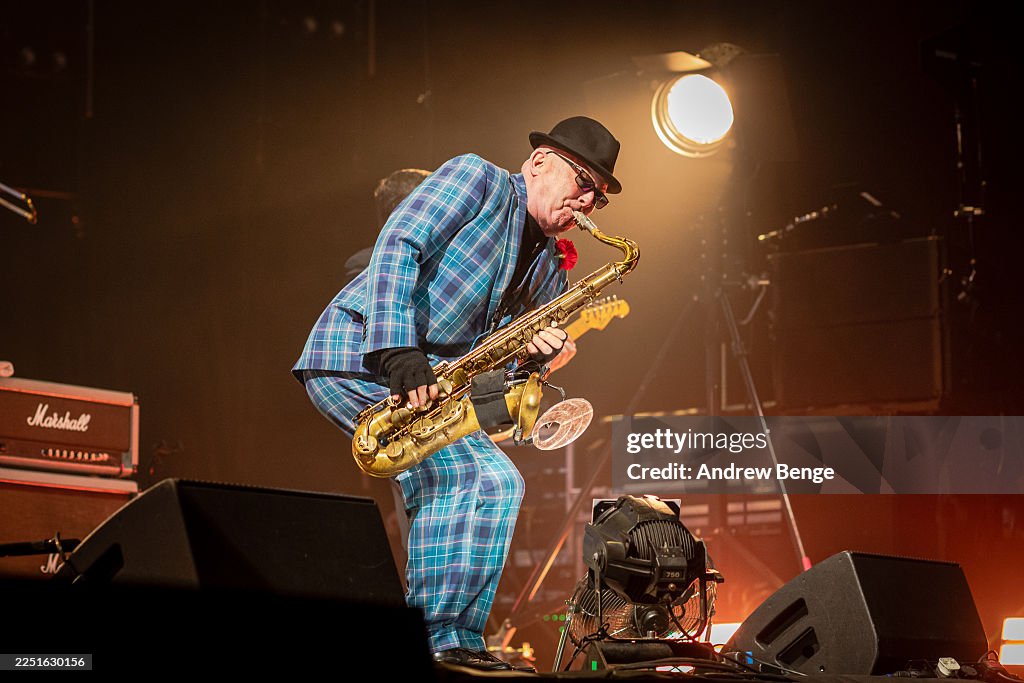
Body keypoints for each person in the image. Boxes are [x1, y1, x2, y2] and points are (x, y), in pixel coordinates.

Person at [293, 116, 622, 670]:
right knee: (474, 476)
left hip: (430, 391)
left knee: (497, 482)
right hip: (357, 358)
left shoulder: (550, 271)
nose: (588, 201)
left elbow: (491, 367)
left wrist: (531, 360)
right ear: (540, 162)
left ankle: (456, 640)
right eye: (583, 181)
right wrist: (399, 351)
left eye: (599, 196)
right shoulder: (477, 179)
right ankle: (439, 639)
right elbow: (397, 245)